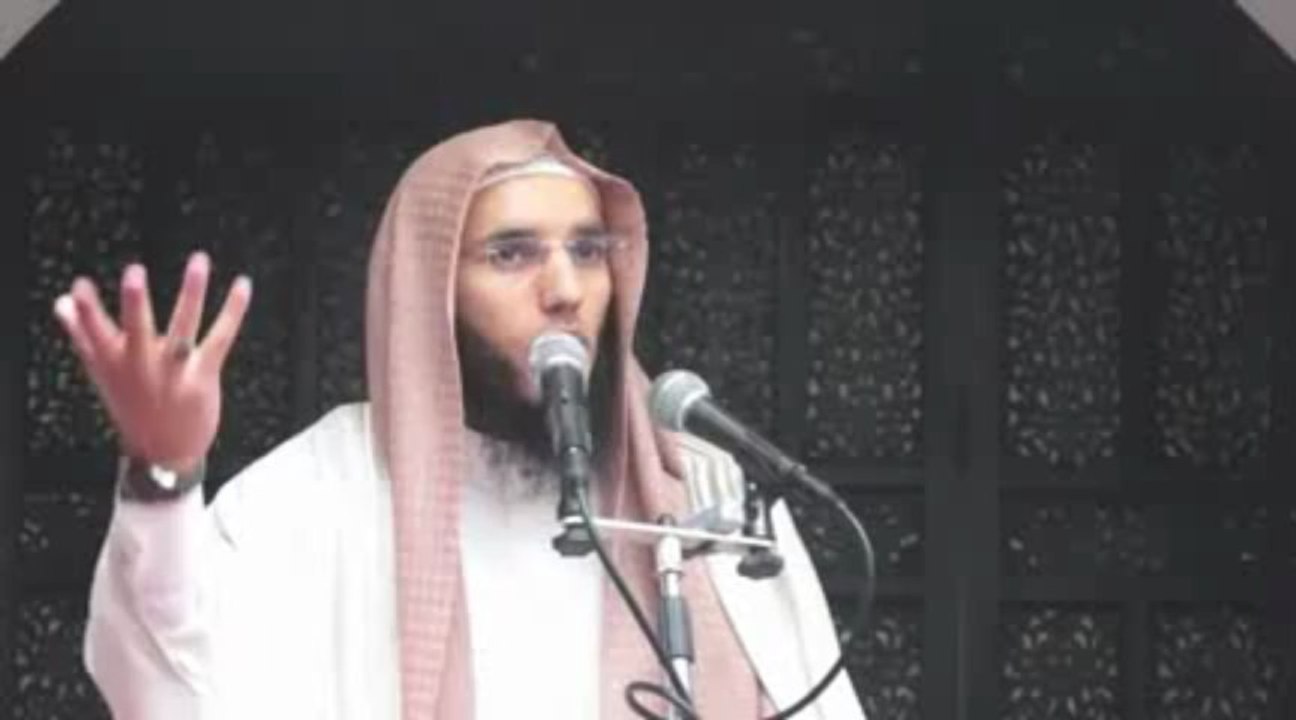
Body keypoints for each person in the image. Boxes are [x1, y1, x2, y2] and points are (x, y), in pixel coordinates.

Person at [53, 119, 865, 719]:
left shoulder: (709, 491)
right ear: (430, 289)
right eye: (512, 254)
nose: (565, 290)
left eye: (587, 252)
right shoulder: (319, 492)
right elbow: (165, 683)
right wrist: (163, 471)